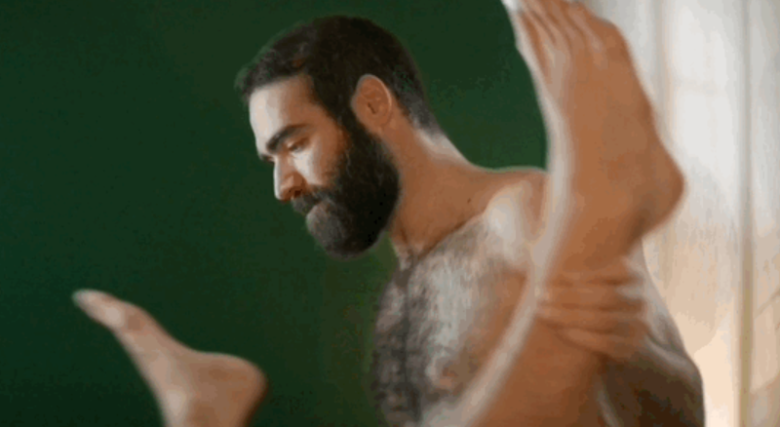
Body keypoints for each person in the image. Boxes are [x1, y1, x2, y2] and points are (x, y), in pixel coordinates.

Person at [73, 1, 705, 426]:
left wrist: (632, 351)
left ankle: (604, 189)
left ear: (373, 105)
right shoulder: (407, 279)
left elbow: (682, 409)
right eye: (272, 158)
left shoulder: (524, 210)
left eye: (294, 144)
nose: (283, 186)